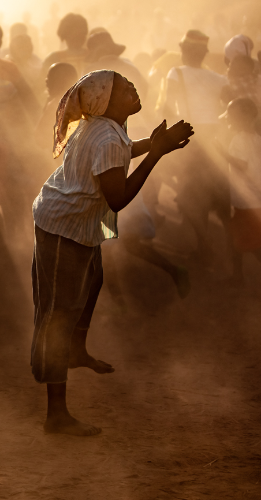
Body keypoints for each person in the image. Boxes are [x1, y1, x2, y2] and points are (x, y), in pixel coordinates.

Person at [31, 70, 193, 436]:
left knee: (93, 279)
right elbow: (117, 199)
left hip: (78, 221)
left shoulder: (107, 127)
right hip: (63, 225)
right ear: (104, 102)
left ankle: (77, 350)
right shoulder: (104, 136)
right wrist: (158, 154)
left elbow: (123, 148)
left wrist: (153, 143)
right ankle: (56, 416)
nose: (132, 88)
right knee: (58, 313)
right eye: (123, 88)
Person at [164, 30, 228, 265]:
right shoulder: (219, 78)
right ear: (203, 53)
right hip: (216, 139)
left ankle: (204, 248)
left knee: (191, 196)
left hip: (192, 140)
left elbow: (168, 108)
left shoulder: (176, 73)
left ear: (184, 50)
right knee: (217, 195)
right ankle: (231, 251)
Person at [215, 98, 261, 282]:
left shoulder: (239, 139)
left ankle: (237, 275)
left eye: (231, 115)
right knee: (238, 237)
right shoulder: (257, 138)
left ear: (241, 118)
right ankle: (237, 274)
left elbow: (241, 165)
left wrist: (221, 152)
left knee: (248, 241)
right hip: (255, 196)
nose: (228, 119)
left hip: (246, 199)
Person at [35, 62, 78, 150]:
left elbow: (40, 139)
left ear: (61, 82)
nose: (46, 81)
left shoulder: (57, 105)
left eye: (50, 78)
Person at [42, 13, 89, 80]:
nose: (77, 37)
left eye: (80, 34)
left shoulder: (93, 56)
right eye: (73, 35)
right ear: (65, 36)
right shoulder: (54, 58)